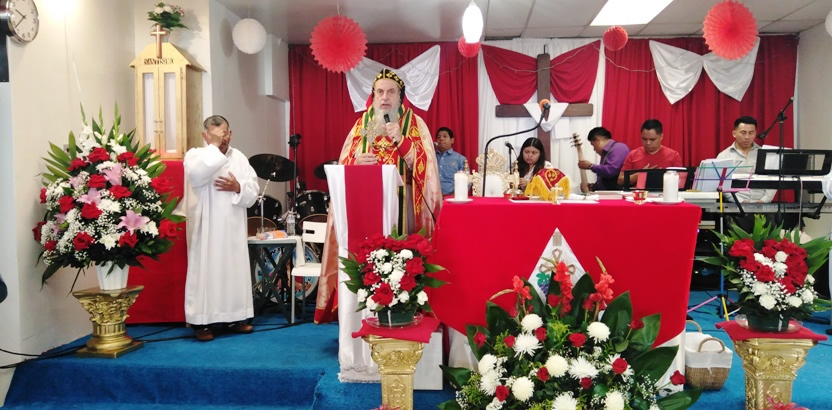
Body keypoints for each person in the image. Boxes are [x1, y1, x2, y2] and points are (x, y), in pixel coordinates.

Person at [315, 68, 442, 382]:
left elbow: (426, 169)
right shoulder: (362, 124)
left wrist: (403, 143)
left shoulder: (414, 124)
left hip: (402, 211)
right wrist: (355, 163)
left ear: (401, 97)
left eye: (391, 92)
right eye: (379, 92)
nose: (384, 98)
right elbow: (345, 164)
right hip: (365, 211)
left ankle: (399, 330)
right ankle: (361, 340)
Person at [182, 115, 260, 342]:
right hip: (206, 226)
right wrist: (214, 146)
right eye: (216, 134)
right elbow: (197, 174)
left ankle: (235, 317)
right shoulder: (196, 155)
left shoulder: (240, 158)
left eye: (224, 133)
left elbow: (253, 189)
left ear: (231, 134)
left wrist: (238, 187)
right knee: (206, 269)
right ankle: (202, 322)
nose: (222, 138)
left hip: (232, 225)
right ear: (205, 135)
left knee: (233, 269)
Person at [716, 116, 775, 203]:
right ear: (734, 133)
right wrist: (740, 201)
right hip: (735, 204)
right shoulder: (724, 156)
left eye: (751, 133)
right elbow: (722, 185)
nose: (747, 137)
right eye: (743, 133)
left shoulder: (764, 154)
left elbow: (773, 180)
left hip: (763, 204)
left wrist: (764, 200)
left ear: (755, 133)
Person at [617, 119, 683, 188]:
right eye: (644, 139)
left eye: (652, 139)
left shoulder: (673, 156)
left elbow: (681, 182)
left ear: (661, 136)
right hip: (639, 193)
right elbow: (620, 181)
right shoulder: (633, 155)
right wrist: (640, 174)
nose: (648, 143)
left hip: (665, 193)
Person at [577, 127, 630, 191]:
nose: (594, 149)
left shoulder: (619, 148)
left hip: (616, 194)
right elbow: (605, 178)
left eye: (593, 145)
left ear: (598, 140)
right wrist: (593, 187)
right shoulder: (606, 153)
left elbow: (611, 171)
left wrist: (591, 166)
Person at [435, 126, 467, 196]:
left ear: (452, 140)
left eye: (445, 136)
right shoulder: (431, 157)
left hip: (453, 198)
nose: (441, 139)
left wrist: (455, 195)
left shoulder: (460, 159)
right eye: (439, 137)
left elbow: (467, 181)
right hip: (431, 198)